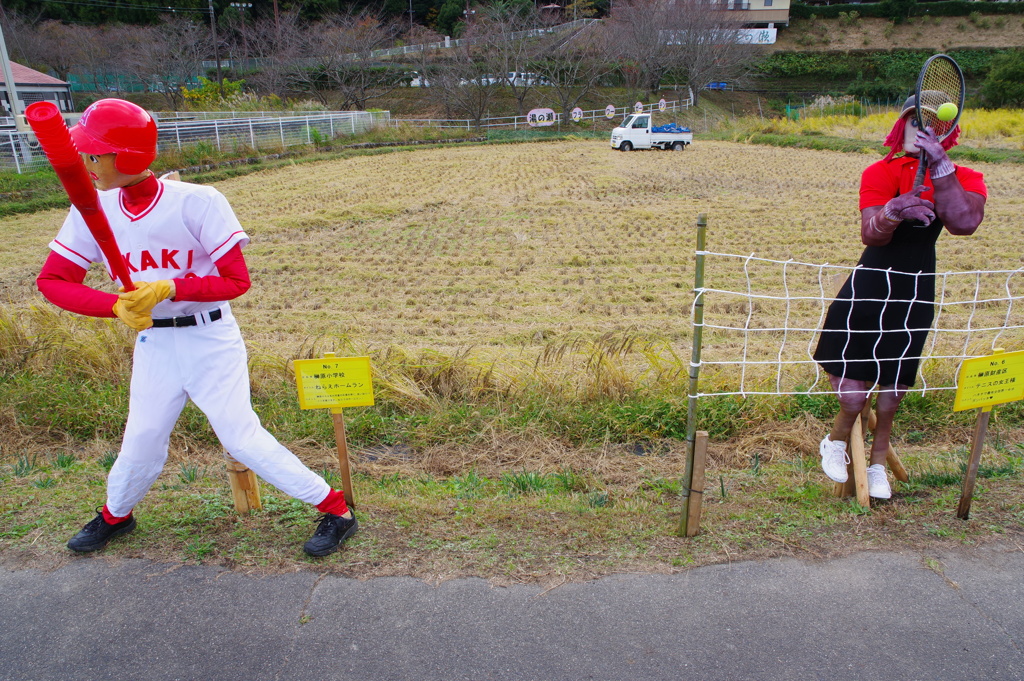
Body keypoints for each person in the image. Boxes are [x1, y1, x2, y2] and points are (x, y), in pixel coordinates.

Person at [36, 98, 357, 557]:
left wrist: (169, 287)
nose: (87, 164)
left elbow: (236, 281)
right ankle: (115, 515)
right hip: (155, 342)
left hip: (209, 338)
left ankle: (336, 509)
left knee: (240, 436)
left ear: (125, 156)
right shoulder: (92, 207)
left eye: (94, 154)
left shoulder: (199, 201)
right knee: (142, 438)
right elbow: (52, 281)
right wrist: (113, 308)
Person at [812, 94, 987, 499]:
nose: (921, 131)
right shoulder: (879, 171)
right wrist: (893, 210)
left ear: (947, 133)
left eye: (933, 126)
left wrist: (941, 169)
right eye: (914, 121)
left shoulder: (965, 178)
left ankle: (876, 465)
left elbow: (964, 222)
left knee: (892, 393)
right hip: (871, 285)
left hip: (915, 288)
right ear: (901, 126)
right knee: (854, 390)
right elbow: (870, 235)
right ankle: (836, 441)